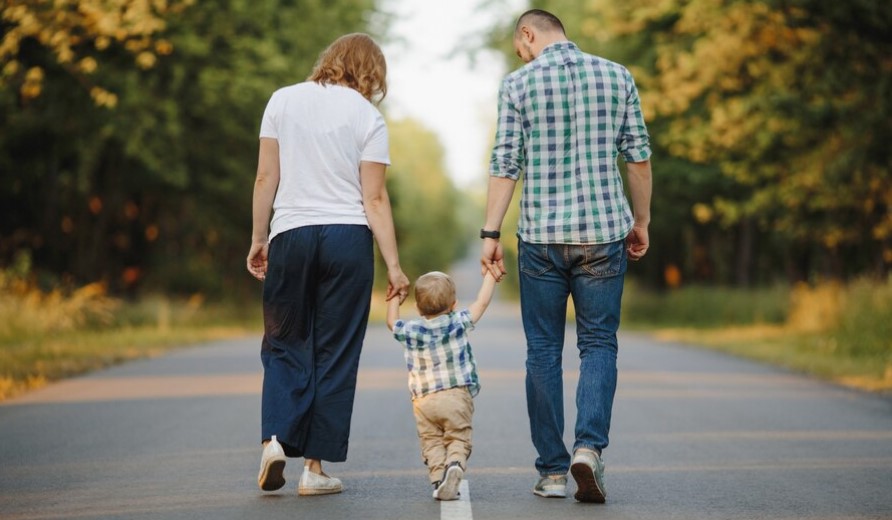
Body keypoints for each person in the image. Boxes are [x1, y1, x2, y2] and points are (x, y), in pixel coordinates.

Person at [480, 9, 653, 503]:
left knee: (542, 351)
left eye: (521, 46)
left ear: (529, 34)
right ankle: (589, 450)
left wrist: (490, 232)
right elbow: (637, 157)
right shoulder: (618, 76)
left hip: (541, 238)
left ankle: (553, 471)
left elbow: (505, 161)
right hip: (603, 234)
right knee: (598, 344)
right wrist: (640, 222)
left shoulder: (518, 85)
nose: (523, 54)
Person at [247, 33, 410, 496]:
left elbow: (265, 176)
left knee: (284, 341)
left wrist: (260, 238)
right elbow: (374, 198)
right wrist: (394, 266)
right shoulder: (369, 116)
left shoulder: (282, 100)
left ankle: (276, 440)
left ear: (330, 61)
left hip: (292, 234)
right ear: (371, 74)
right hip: (347, 238)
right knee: (334, 353)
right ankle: (314, 470)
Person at [387, 271, 497, 501]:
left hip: (424, 401)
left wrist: (395, 296)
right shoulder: (458, 321)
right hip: (457, 395)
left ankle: (439, 479)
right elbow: (482, 302)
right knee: (458, 436)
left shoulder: (412, 331)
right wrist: (489, 276)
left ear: (418, 308)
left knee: (431, 440)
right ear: (454, 304)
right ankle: (455, 463)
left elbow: (391, 323)